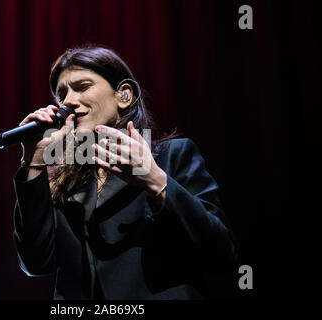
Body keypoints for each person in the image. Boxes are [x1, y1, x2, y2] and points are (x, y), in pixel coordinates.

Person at [13, 45, 238, 300]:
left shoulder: (171, 157)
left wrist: (155, 180)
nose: (69, 101)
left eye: (83, 86)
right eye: (61, 95)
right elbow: (35, 263)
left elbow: (221, 252)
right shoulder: (64, 178)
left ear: (124, 96)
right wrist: (34, 162)